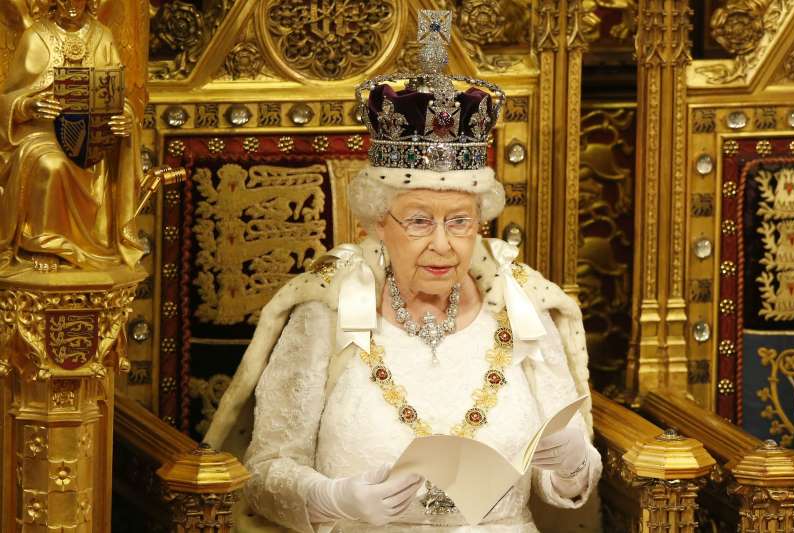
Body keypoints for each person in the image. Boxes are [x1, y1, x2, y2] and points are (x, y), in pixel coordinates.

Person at [203, 10, 600, 532]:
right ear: (375, 223)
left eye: (460, 221)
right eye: (418, 221)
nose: (442, 244)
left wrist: (572, 461)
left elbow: (566, 486)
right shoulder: (326, 310)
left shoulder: (521, 308)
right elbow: (265, 472)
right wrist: (335, 499)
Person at [0, 0, 144, 270]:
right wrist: (28, 106)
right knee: (51, 165)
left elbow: (117, 95)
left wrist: (124, 118)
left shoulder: (102, 36)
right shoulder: (36, 36)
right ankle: (45, 244)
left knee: (92, 162)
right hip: (42, 134)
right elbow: (8, 100)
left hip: (93, 137)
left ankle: (93, 245)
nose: (71, 4)